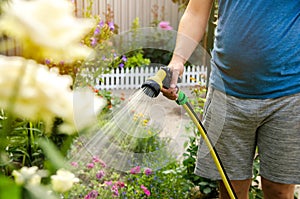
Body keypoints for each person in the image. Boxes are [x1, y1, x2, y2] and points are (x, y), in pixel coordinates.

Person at [161, 0, 300, 198]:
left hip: (289, 94)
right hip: (227, 92)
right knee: (230, 190)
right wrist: (177, 60)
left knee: (279, 191)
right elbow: (196, 12)